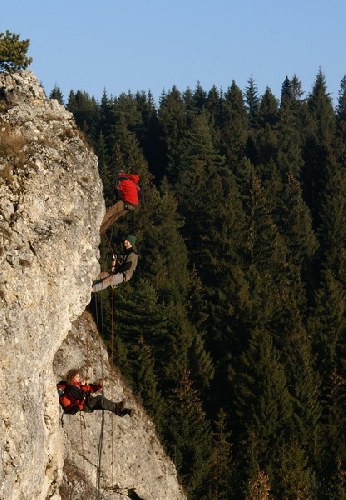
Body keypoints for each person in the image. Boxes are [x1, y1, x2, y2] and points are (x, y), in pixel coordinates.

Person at [57, 369, 133, 416]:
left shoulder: (77, 385)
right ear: (72, 377)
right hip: (85, 405)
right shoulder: (71, 387)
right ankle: (117, 406)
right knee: (100, 399)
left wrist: (98, 386)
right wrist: (83, 386)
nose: (79, 378)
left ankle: (124, 412)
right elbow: (81, 395)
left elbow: (90, 388)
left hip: (87, 402)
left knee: (106, 405)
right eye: (77, 377)